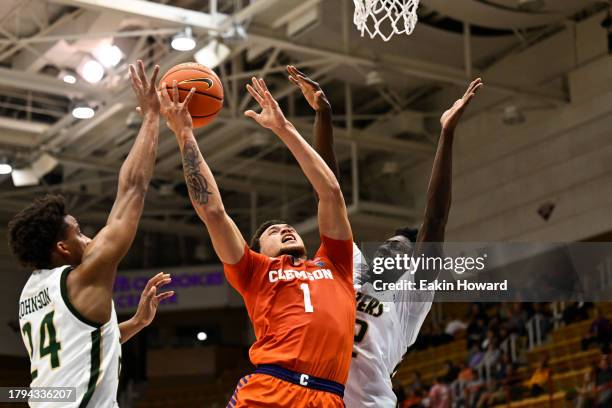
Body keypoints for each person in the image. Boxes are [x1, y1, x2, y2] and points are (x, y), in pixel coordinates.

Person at [285, 65, 483, 407]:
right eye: (388, 246)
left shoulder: (408, 300)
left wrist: (446, 134)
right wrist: (324, 115)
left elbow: (435, 220)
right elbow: (328, 192)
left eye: (400, 252)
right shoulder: (352, 271)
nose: (389, 252)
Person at [159, 77, 354, 407]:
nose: (285, 229)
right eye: (273, 232)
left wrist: (284, 128)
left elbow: (331, 194)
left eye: (288, 227)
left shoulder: (335, 263)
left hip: (329, 397)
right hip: (272, 390)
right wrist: (184, 134)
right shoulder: (254, 271)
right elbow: (214, 212)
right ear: (258, 250)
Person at [9, 61, 172, 407]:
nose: (89, 239)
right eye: (79, 233)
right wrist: (152, 117)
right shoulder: (82, 278)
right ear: (62, 247)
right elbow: (133, 189)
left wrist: (137, 323)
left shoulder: (31, 294)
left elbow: (80, 347)